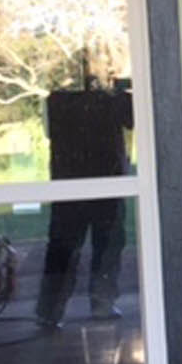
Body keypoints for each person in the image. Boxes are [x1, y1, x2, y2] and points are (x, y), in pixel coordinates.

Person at [35, 77, 133, 329]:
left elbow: (49, 131)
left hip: (70, 177)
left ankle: (49, 311)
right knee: (106, 243)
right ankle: (101, 303)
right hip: (106, 177)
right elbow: (133, 117)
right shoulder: (111, 100)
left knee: (64, 246)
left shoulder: (57, 100)